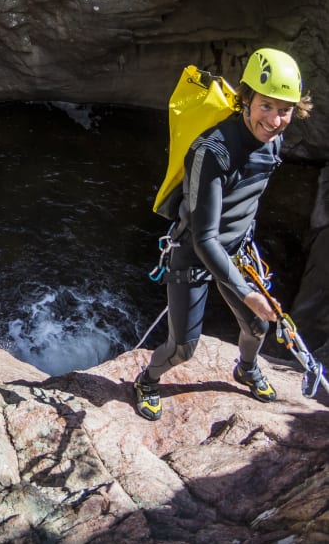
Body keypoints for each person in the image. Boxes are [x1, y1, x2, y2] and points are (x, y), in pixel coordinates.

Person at [134, 48, 313, 421]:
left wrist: (246, 251)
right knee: (183, 347)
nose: (275, 120)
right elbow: (204, 239)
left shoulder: (274, 138)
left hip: (237, 249)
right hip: (195, 251)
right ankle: (147, 382)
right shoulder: (213, 150)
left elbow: (248, 197)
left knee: (258, 326)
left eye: (285, 110)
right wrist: (248, 293)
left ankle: (246, 369)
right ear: (246, 98)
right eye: (266, 106)